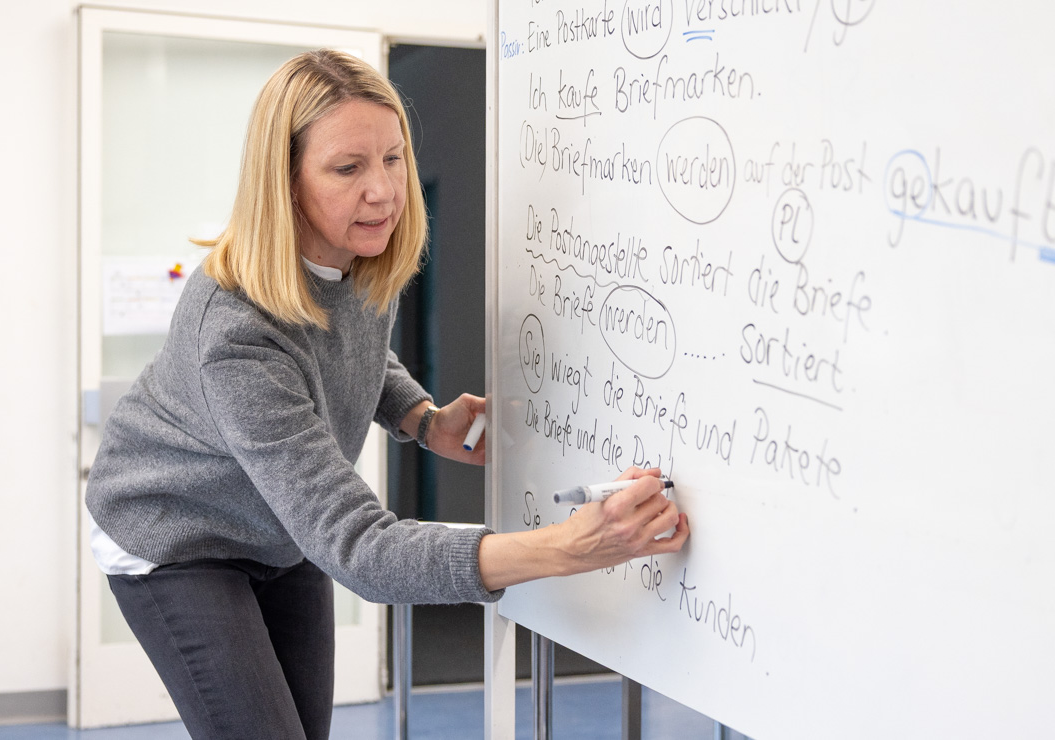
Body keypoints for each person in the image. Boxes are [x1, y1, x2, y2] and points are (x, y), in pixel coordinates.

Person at [84, 49, 689, 740]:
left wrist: (419, 417)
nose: (385, 191)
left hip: (278, 526)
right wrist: (565, 549)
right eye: (348, 168)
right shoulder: (238, 330)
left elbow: (350, 348)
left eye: (393, 158)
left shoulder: (359, 255)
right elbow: (361, 551)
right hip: (177, 526)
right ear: (284, 182)